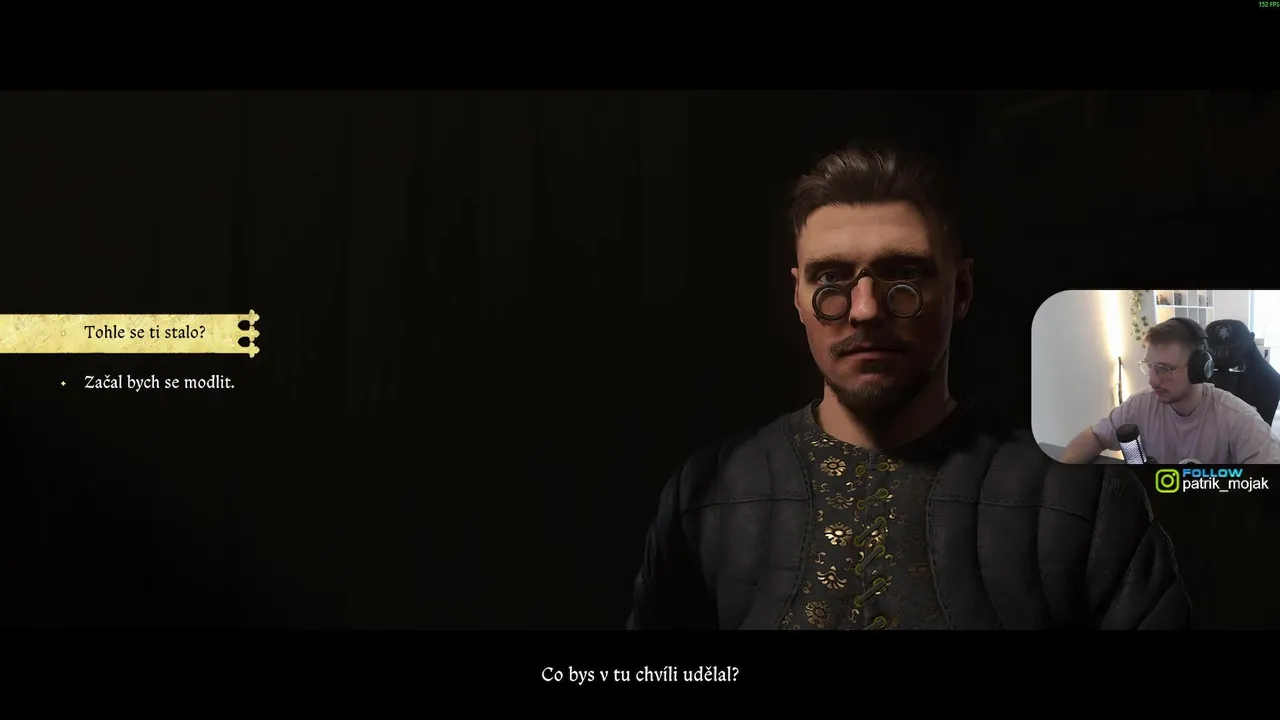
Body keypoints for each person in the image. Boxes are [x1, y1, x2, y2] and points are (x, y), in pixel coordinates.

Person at [626, 141, 1189, 630]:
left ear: (961, 290)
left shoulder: (1080, 497)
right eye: (831, 278)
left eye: (904, 274)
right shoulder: (707, 496)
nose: (866, 309)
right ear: (798, 296)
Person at [1059, 317, 1280, 465]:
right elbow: (1095, 436)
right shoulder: (1139, 405)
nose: (1153, 379)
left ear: (1199, 369)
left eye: (1165, 369)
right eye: (1150, 366)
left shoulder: (1238, 419)